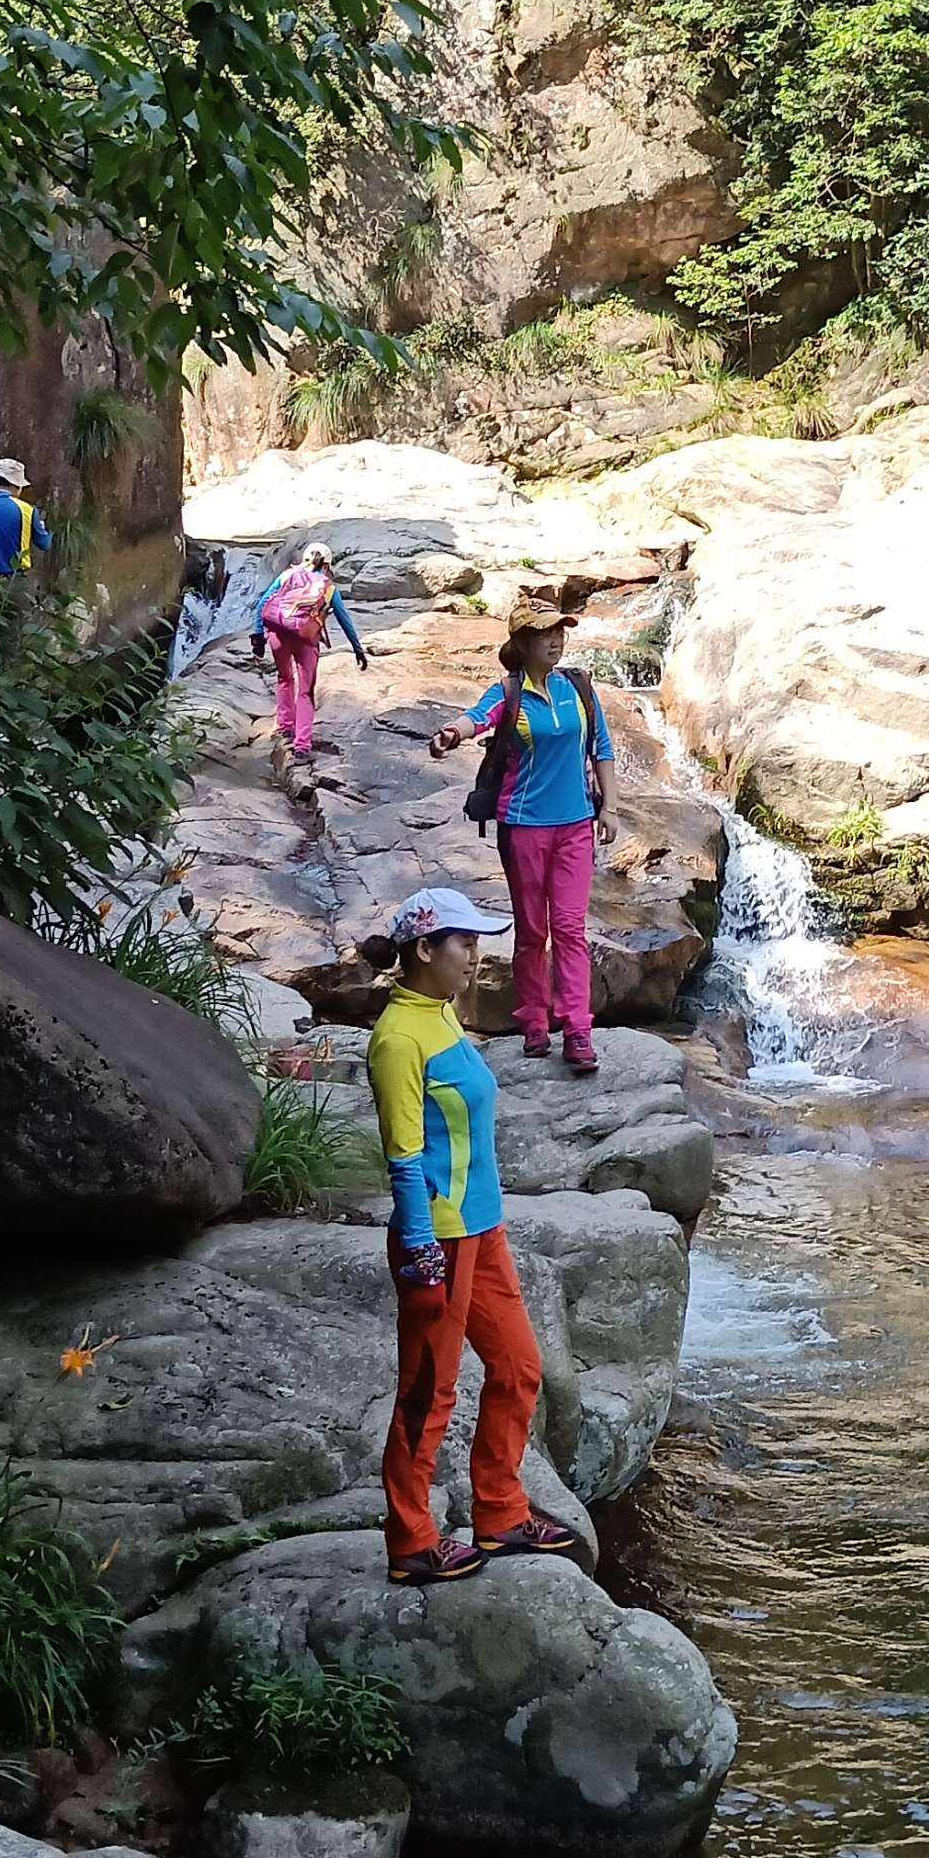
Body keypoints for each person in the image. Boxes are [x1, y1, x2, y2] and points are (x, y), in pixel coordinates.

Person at [366, 886, 581, 1586]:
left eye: (477, 943)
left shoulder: (441, 1017)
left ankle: (500, 1511)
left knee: (520, 1367)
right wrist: (423, 1250)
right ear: (424, 949)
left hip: (483, 1232)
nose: (475, 957)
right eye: (464, 944)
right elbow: (403, 1154)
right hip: (442, 1237)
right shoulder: (399, 1037)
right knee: (430, 1393)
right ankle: (411, 1541)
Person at [429, 587, 613, 1074]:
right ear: (522, 642)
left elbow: (602, 749)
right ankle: (535, 1022)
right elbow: (476, 719)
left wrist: (609, 808)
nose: (556, 641)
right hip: (524, 825)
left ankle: (577, 1030)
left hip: (576, 824)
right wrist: (451, 734)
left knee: (570, 929)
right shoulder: (509, 693)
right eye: (544, 634)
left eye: (559, 632)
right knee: (533, 931)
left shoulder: (579, 689)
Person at [252, 541, 368, 763]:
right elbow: (345, 620)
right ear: (327, 565)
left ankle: (285, 726)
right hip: (306, 640)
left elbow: (262, 605)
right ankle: (302, 746)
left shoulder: (287, 576)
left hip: (279, 636)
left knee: (284, 678)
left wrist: (258, 639)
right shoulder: (328, 587)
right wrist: (357, 649)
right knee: (305, 692)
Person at [0, 454, 51, 583]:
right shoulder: (27, 510)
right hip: (14, 582)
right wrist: (44, 528)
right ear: (16, 485)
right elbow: (44, 544)